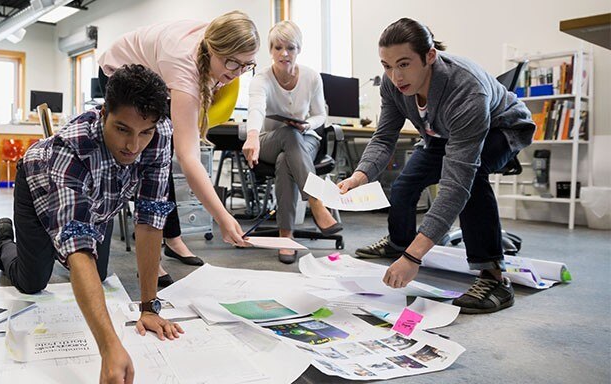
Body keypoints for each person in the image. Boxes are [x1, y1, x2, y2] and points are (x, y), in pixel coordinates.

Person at [0, 64, 183, 383]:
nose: (133, 146)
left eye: (144, 133)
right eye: (122, 129)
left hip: (98, 203)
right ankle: (4, 241)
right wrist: (109, 347)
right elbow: (78, 247)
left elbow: (150, 219)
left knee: (99, 276)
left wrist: (149, 308)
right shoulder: (72, 146)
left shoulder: (160, 132)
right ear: (104, 113)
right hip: (38, 186)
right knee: (32, 282)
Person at [337, 18, 535, 314]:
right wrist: (359, 176)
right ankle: (399, 242)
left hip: (501, 129)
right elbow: (384, 137)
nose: (395, 76)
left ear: (430, 56)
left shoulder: (466, 89)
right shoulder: (392, 85)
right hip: (442, 135)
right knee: (404, 185)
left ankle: (494, 277)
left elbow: (456, 185)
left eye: (404, 64)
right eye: (387, 66)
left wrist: (415, 258)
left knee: (472, 178)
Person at [98, 10, 260, 283]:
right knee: (147, 156)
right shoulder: (183, 65)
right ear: (213, 49)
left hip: (157, 71)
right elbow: (189, 157)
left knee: (163, 154)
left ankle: (172, 238)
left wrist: (230, 68)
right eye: (232, 63)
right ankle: (150, 257)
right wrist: (222, 216)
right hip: (118, 69)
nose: (237, 73)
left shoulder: (216, 47)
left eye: (247, 65)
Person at [241, 20, 342, 264]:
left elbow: (320, 115)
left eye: (290, 48)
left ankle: (285, 236)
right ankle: (316, 201)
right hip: (270, 140)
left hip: (305, 139)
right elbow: (256, 108)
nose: (284, 53)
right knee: (287, 134)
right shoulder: (261, 79)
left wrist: (307, 125)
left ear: (299, 49)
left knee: (287, 156)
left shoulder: (311, 77)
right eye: (278, 48)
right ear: (270, 50)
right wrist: (252, 135)